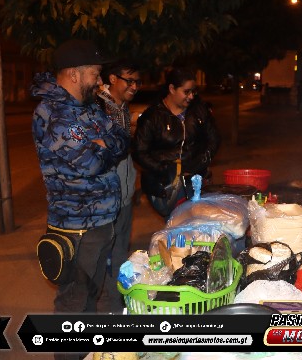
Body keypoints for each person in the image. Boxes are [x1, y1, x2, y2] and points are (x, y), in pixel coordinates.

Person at [32, 40, 128, 359]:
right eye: (95, 74)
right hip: (76, 227)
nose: (100, 81)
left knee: (90, 300)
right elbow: (90, 164)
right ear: (74, 74)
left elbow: (121, 139)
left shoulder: (88, 107)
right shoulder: (53, 114)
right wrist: (103, 147)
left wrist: (103, 144)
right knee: (73, 306)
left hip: (101, 221)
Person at [132, 68, 221, 219]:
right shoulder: (153, 116)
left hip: (195, 181)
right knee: (177, 224)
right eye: (186, 92)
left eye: (193, 91)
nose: (191, 96)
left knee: (197, 223)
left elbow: (214, 139)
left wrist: (202, 161)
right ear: (172, 89)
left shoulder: (199, 111)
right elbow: (139, 152)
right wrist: (165, 170)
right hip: (167, 186)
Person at [95, 59, 140, 313]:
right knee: (105, 256)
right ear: (112, 79)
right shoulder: (98, 107)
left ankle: (118, 302)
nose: (134, 86)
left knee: (121, 251)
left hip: (124, 195)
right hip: (106, 199)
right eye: (129, 81)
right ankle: (107, 309)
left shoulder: (121, 107)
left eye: (137, 82)